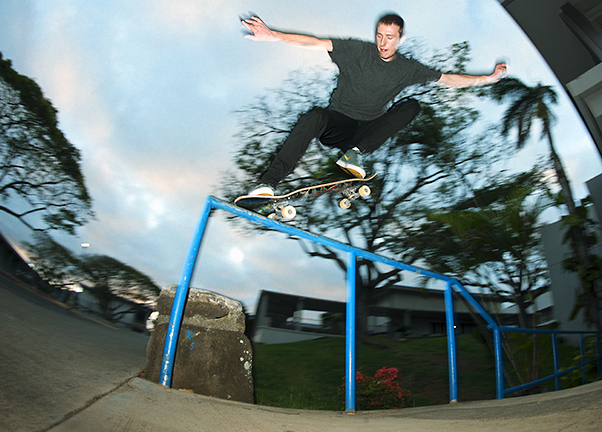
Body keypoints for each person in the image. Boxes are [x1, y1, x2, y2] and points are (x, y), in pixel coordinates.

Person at [241, 14, 507, 196]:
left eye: (390, 37)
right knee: (313, 117)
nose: (383, 43)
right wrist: (273, 36)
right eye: (380, 36)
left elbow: (448, 79)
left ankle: (354, 153)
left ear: (400, 39)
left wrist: (489, 78)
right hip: (338, 124)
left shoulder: (408, 68)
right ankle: (268, 183)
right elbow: (315, 42)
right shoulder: (358, 51)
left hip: (368, 131)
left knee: (412, 106)